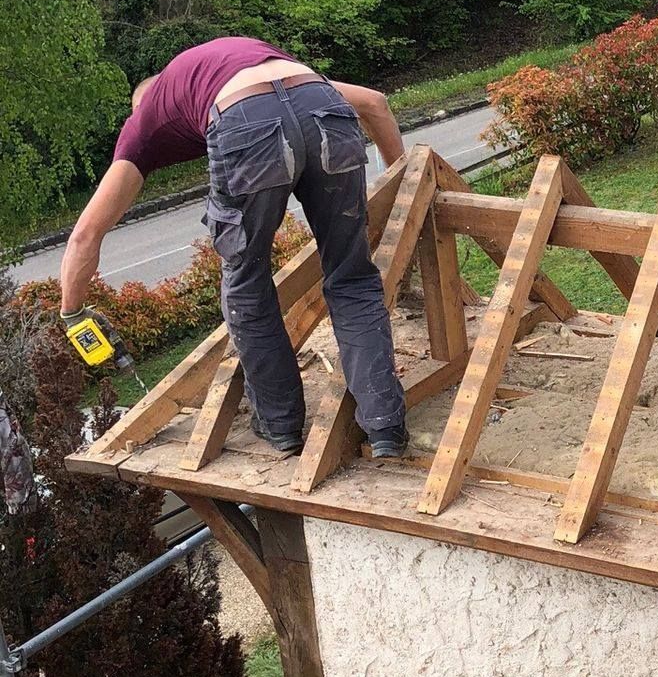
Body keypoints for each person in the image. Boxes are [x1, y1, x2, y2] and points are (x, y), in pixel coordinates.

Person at [60, 37, 409, 459]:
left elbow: (86, 234)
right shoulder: (227, 66)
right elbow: (374, 103)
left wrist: (72, 312)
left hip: (245, 120)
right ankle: (385, 427)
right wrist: (401, 192)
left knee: (247, 286)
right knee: (351, 275)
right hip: (318, 100)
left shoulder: (146, 118)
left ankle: (281, 426)